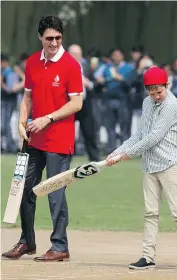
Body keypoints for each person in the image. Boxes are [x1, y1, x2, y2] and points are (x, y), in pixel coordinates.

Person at [2, 15, 83, 262]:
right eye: (49, 38)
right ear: (40, 37)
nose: (55, 43)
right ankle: (27, 241)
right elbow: (27, 98)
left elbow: (77, 103)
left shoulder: (71, 65)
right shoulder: (31, 63)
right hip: (34, 139)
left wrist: (47, 118)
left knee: (54, 192)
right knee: (26, 189)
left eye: (58, 38)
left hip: (59, 139)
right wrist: (21, 121)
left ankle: (60, 246)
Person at [106, 66, 177, 271]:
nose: (155, 96)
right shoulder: (147, 102)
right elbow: (140, 133)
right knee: (150, 213)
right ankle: (148, 256)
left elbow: (154, 137)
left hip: (170, 163)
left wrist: (127, 155)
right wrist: (117, 152)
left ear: (167, 85)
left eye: (159, 91)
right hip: (150, 165)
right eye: (151, 91)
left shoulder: (171, 104)